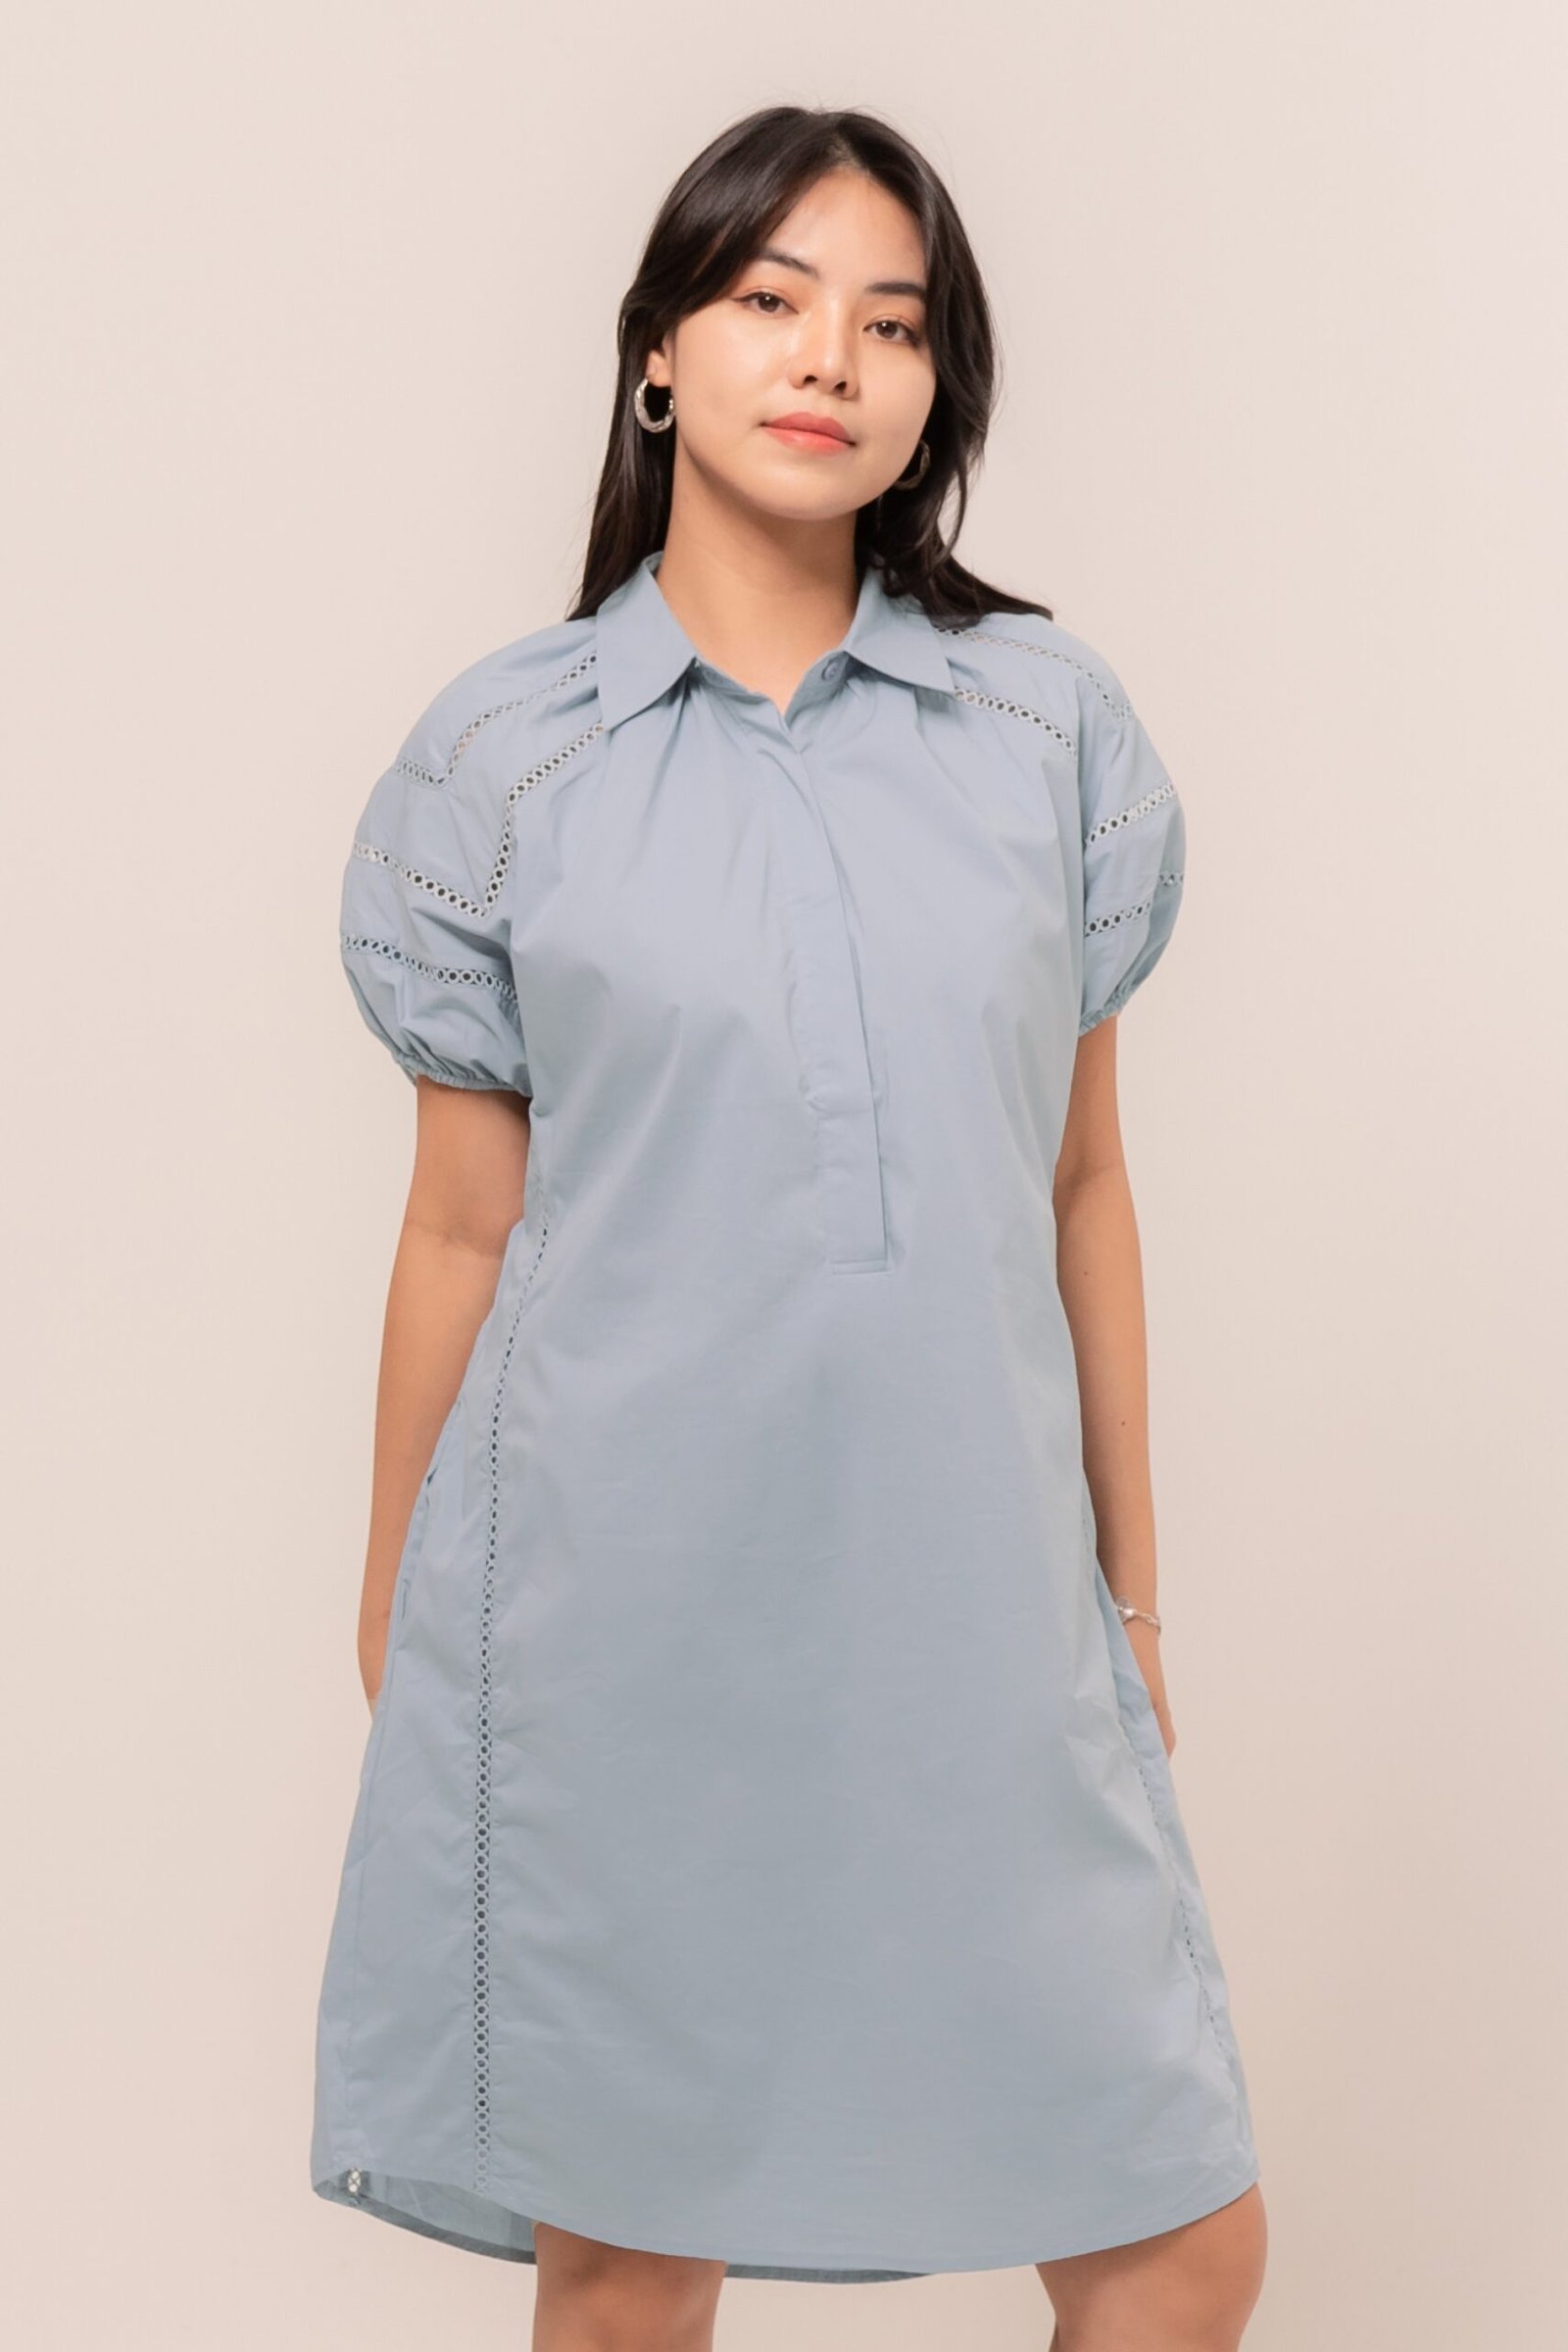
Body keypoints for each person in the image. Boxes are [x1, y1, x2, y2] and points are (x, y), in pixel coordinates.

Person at [311, 102, 1269, 2352]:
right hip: (613, 1606)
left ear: (939, 388)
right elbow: (459, 1233)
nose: (831, 356)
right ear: (659, 352)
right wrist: (399, 1597)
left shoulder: (1042, 730)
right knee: (631, 2263)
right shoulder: (508, 758)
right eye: (769, 298)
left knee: (1176, 2246)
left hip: (972, 1597)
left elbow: (1077, 1181)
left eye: (893, 322)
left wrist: (1126, 1591)